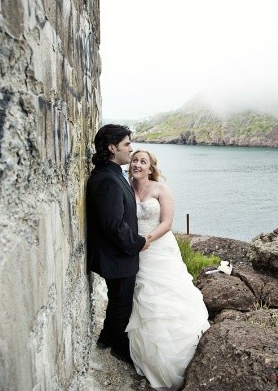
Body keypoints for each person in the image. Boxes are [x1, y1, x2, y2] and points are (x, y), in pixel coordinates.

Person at [125, 149, 210, 390]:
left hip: (158, 248)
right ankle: (149, 358)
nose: (138, 164)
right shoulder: (125, 188)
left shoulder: (161, 190)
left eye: (143, 162)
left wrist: (147, 240)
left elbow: (167, 223)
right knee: (143, 298)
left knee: (168, 297)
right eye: (135, 160)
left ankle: (179, 356)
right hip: (135, 251)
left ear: (151, 168)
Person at [86, 124, 149, 364]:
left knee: (117, 301)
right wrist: (137, 243)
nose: (130, 149)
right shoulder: (108, 179)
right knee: (122, 304)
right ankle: (119, 349)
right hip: (118, 256)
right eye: (127, 144)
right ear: (112, 148)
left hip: (117, 255)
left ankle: (105, 337)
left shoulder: (111, 173)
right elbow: (113, 225)